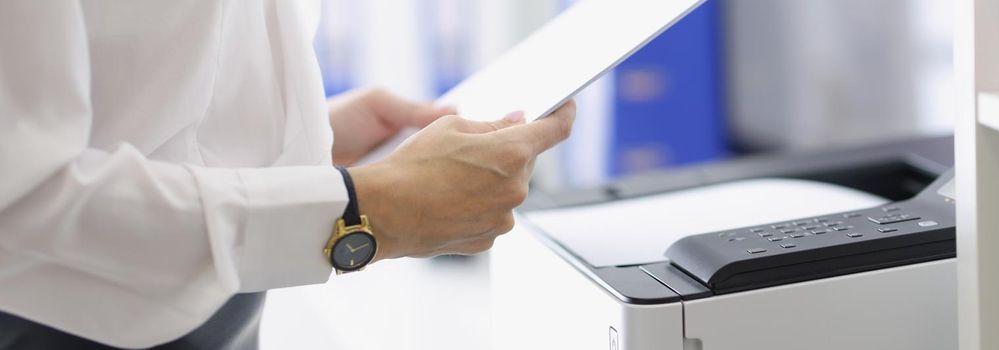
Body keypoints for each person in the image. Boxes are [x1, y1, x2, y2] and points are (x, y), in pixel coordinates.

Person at [0, 1, 575, 349]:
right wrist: (366, 209)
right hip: (64, 323)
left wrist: (302, 139)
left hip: (221, 303)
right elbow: (21, 196)